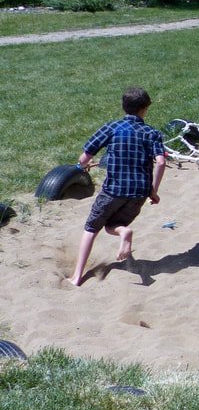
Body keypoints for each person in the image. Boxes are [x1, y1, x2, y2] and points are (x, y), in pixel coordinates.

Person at [69, 87, 166, 286]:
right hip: (139, 192)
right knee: (113, 226)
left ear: (123, 107)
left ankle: (77, 276)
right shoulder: (152, 133)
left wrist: (81, 165)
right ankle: (123, 232)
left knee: (91, 228)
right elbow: (161, 162)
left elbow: (86, 156)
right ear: (145, 108)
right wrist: (153, 191)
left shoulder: (112, 128)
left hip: (114, 189)